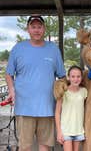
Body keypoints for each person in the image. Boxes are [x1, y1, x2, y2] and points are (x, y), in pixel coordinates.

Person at [5, 15, 66, 151]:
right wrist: (11, 91)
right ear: (28, 29)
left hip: (47, 108)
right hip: (24, 107)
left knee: (45, 146)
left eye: (39, 27)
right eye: (33, 27)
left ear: (44, 29)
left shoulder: (53, 49)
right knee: (25, 146)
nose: (36, 30)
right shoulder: (18, 48)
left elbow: (62, 76)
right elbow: (9, 74)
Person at [55, 65, 87, 151]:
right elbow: (57, 113)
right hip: (66, 131)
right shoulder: (63, 92)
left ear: (81, 77)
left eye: (78, 76)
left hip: (78, 130)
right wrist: (59, 132)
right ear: (68, 77)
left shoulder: (84, 91)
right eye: (73, 76)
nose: (76, 79)